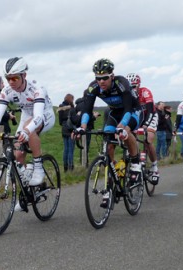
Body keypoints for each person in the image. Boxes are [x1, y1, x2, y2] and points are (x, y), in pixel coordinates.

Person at [0, 57, 55, 189]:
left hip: (44, 114)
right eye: (8, 78)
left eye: (15, 78)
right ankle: (28, 191)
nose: (11, 82)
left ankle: (38, 168)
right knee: (17, 154)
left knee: (28, 129)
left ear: (24, 75)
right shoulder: (6, 92)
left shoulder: (37, 88)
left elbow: (38, 116)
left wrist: (27, 131)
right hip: (26, 116)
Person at [74, 58, 141, 207]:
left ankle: (135, 162)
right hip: (114, 113)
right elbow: (87, 109)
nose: (101, 81)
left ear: (112, 75)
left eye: (105, 77)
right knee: (108, 145)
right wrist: (82, 127)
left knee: (126, 132)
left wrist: (122, 126)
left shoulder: (121, 83)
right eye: (98, 78)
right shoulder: (93, 88)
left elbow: (129, 108)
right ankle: (111, 181)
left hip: (132, 112)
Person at [127, 73, 159, 183]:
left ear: (139, 85)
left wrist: (145, 125)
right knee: (130, 137)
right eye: (130, 86)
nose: (132, 88)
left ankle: (155, 168)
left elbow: (150, 110)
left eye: (134, 86)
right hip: (138, 117)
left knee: (148, 139)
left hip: (150, 116)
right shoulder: (127, 94)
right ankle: (135, 163)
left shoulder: (145, 92)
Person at [57, 93, 75, 171]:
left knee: (66, 148)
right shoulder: (71, 107)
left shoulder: (60, 107)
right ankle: (71, 166)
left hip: (64, 128)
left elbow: (60, 121)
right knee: (71, 149)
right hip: (71, 128)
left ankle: (65, 167)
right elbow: (74, 119)